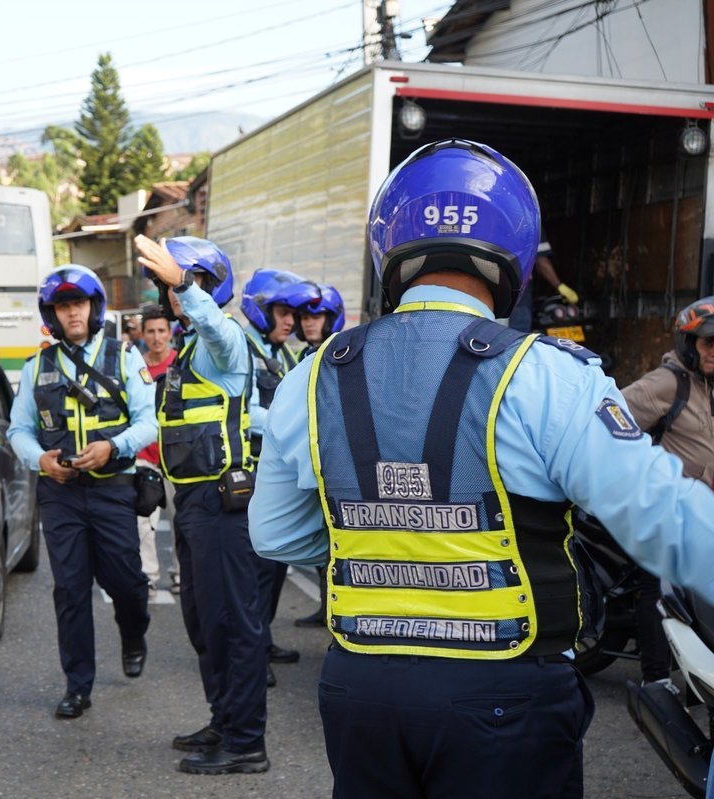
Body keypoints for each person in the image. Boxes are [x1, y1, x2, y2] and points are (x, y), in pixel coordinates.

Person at [249, 138, 714, 798]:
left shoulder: (312, 376)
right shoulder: (549, 373)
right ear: (515, 255)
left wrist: (389, 532)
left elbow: (274, 535)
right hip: (503, 696)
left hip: (363, 692)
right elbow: (667, 521)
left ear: (392, 248)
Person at [135, 234, 269, 776]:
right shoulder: (193, 351)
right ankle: (224, 718)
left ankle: (246, 743)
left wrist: (183, 284)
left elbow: (213, 323)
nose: (166, 298)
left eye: (173, 287)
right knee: (204, 622)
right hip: (192, 505)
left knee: (235, 625)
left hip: (223, 505)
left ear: (200, 288)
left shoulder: (226, 339)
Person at [8, 264, 156, 720]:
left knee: (127, 584)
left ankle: (133, 634)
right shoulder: (37, 367)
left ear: (94, 307)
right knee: (70, 590)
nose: (73, 313)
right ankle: (77, 686)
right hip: (61, 494)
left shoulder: (125, 356)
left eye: (79, 303)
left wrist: (113, 446)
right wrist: (42, 461)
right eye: (63, 306)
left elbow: (149, 422)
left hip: (114, 488)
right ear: (52, 314)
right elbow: (19, 430)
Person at [620, 297, 714, 695]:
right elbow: (606, 420)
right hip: (669, 508)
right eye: (707, 343)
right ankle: (658, 679)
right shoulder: (667, 383)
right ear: (688, 344)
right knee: (660, 586)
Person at [241, 268, 303, 682]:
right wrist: (290, 423)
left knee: (277, 566)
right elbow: (243, 410)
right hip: (251, 474)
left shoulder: (284, 354)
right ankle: (251, 652)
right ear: (260, 310)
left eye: (291, 313)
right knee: (257, 573)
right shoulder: (241, 349)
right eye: (281, 311)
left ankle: (263, 639)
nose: (290, 321)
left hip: (280, 473)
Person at [283, 278, 343, 629]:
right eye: (304, 316)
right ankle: (326, 608)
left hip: (336, 461)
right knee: (323, 543)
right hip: (313, 461)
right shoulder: (301, 355)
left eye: (317, 316)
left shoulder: (340, 353)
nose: (308, 322)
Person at [134, 304, 176, 597]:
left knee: (181, 522)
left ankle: (180, 575)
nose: (157, 337)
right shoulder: (135, 366)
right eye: (151, 331)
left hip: (178, 459)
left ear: (170, 333)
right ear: (143, 334)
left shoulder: (181, 363)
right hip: (144, 458)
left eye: (162, 330)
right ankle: (148, 575)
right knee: (142, 524)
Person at [508, 237, 578, 333]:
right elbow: (541, 262)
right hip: (519, 293)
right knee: (516, 338)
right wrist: (559, 286)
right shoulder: (530, 223)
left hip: (489, 290)